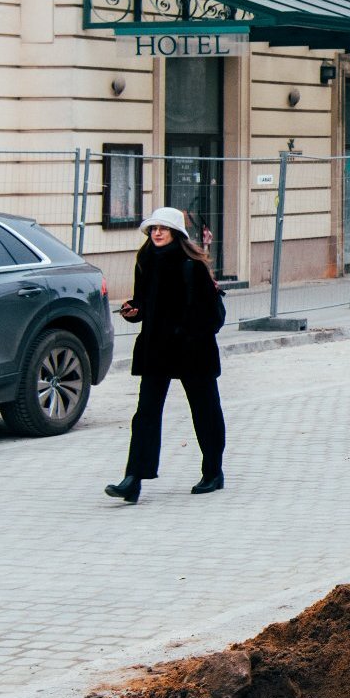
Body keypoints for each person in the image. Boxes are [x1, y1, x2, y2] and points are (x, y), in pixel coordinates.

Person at [105, 207, 226, 504]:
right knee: (145, 413)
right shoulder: (146, 260)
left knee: (205, 410)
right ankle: (133, 479)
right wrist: (134, 311)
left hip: (193, 349)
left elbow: (211, 314)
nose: (157, 233)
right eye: (153, 228)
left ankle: (213, 470)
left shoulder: (191, 264)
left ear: (176, 233)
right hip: (156, 348)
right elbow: (145, 303)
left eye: (163, 228)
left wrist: (188, 331)